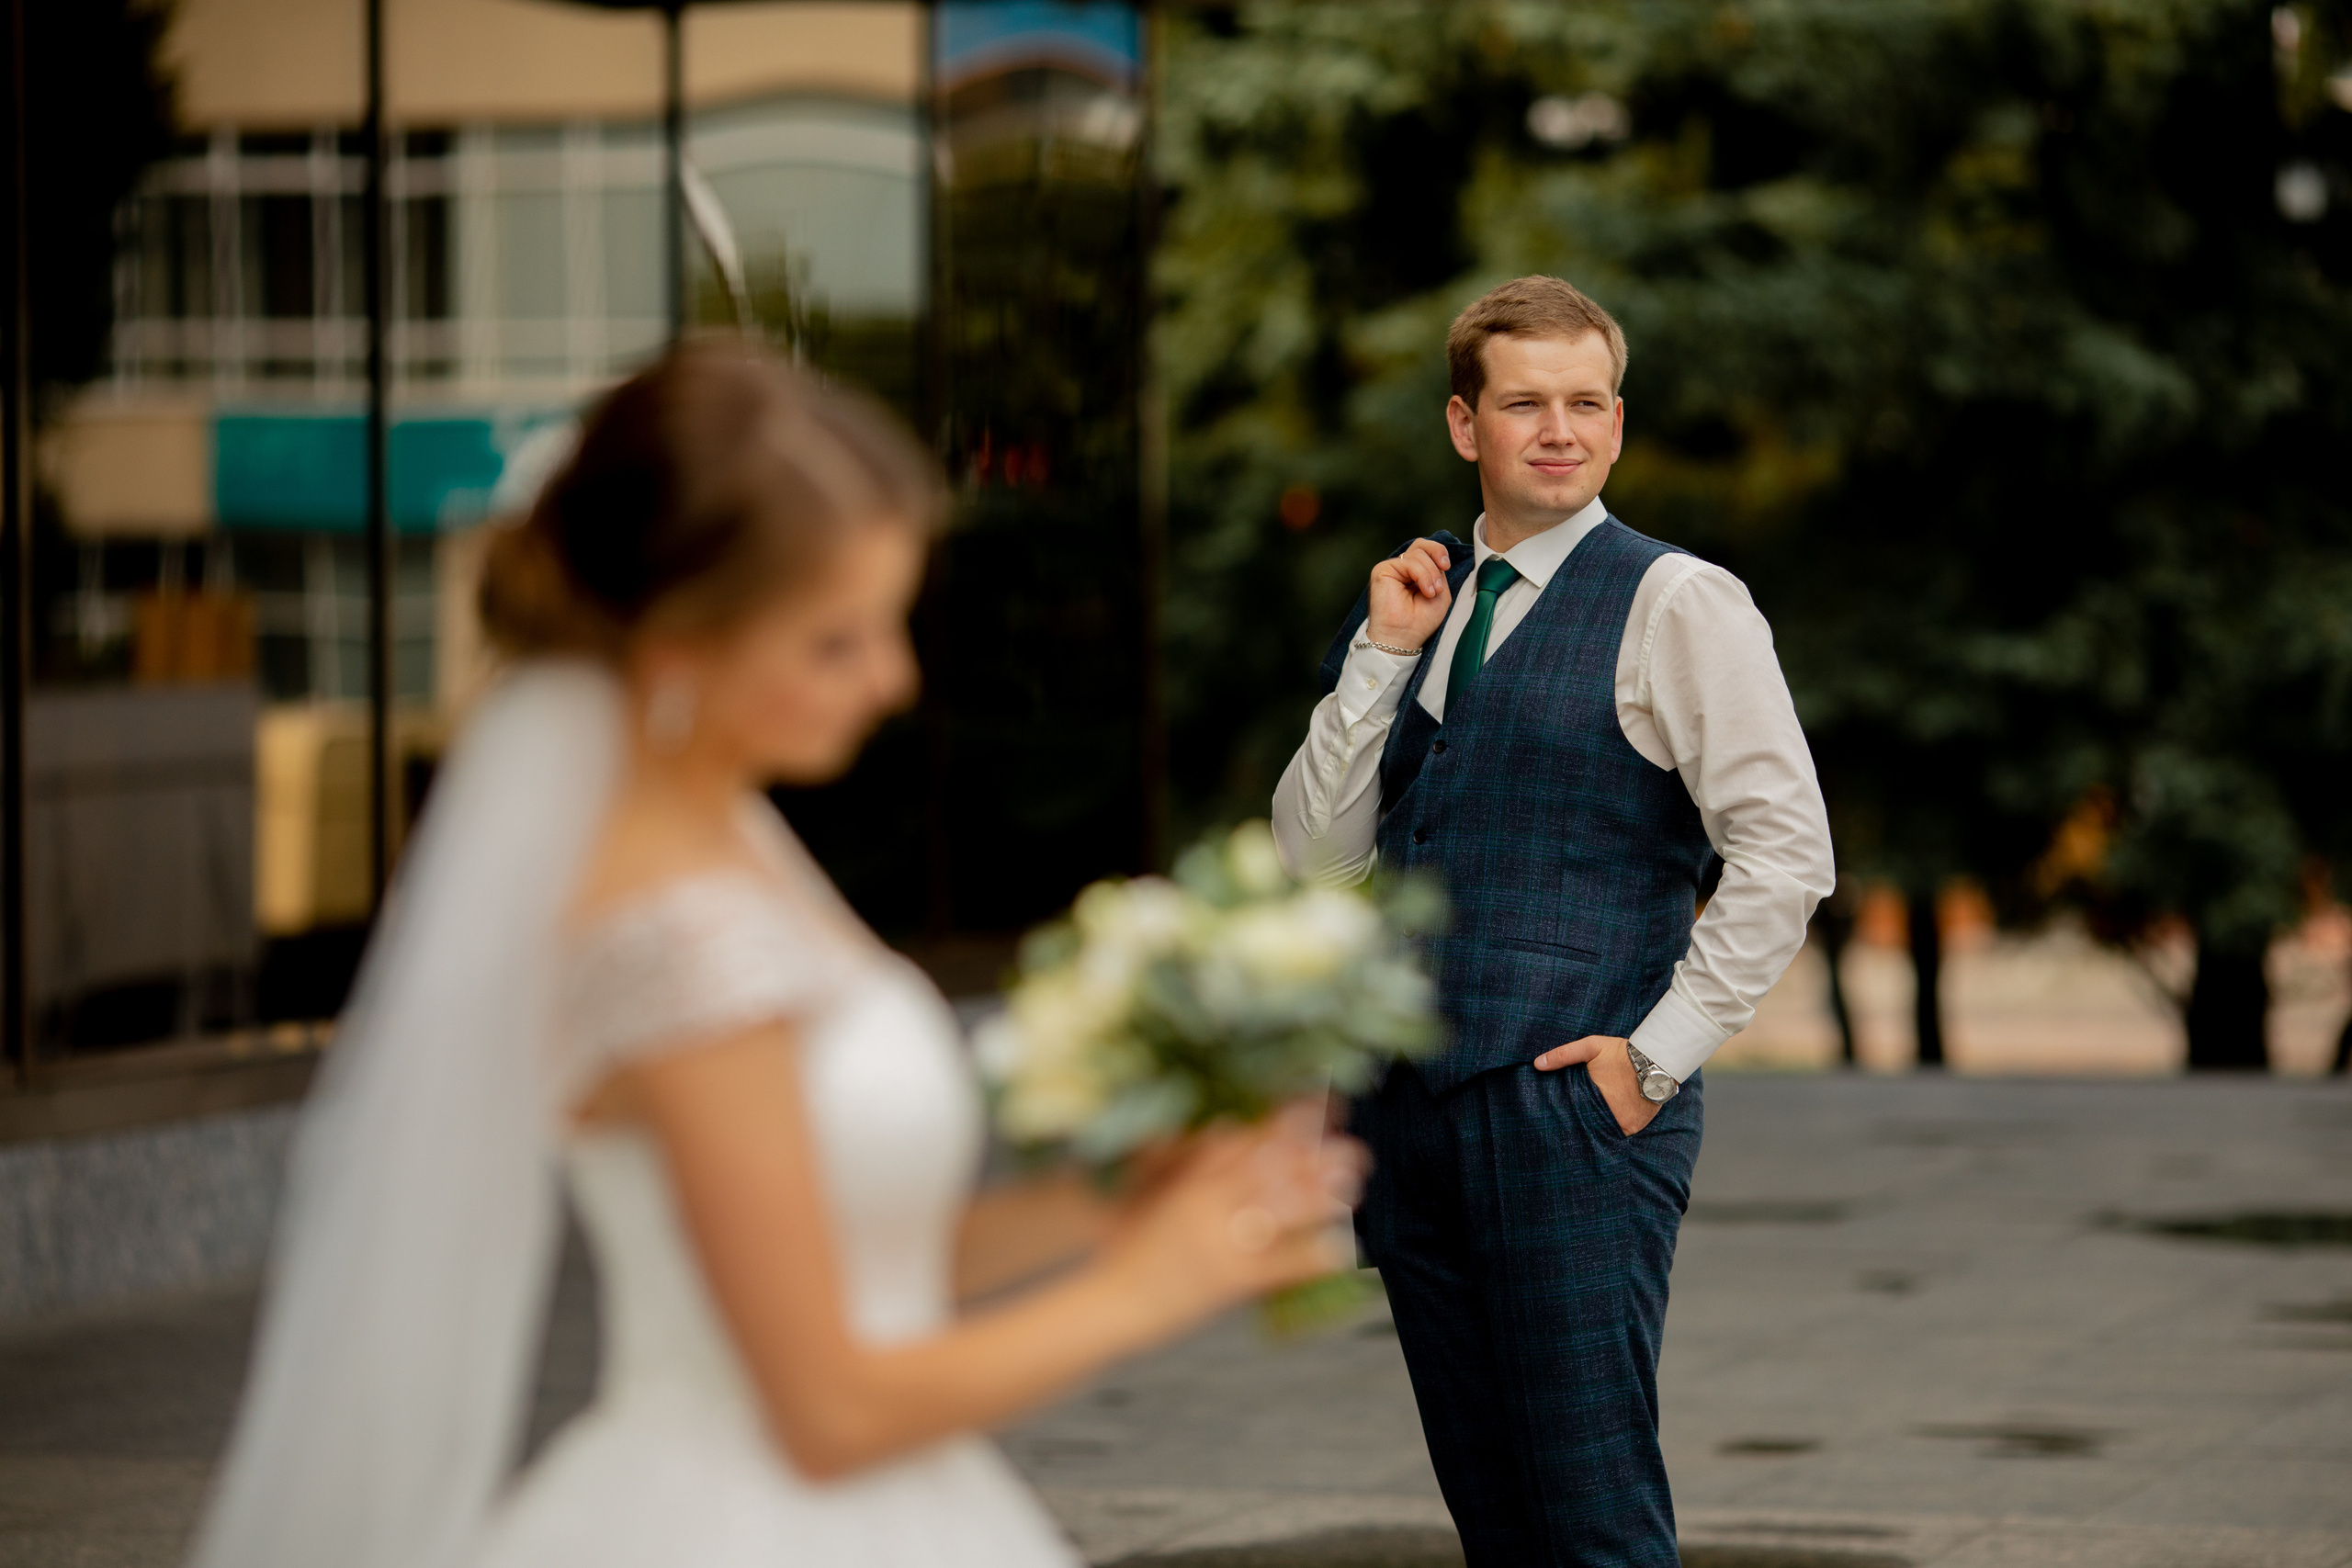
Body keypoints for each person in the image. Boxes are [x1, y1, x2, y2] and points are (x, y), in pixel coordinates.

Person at [188, 343, 1362, 1568]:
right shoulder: (672, 939)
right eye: (833, 642)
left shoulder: (738, 844)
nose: (893, 679)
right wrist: (1149, 1290)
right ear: (680, 648)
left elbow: (862, 1261)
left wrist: (1112, 1205)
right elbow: (830, 1412)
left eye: (888, 625)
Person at [1272, 276, 1836, 1567]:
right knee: (1500, 1525)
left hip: (1571, 1113)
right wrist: (1376, 657)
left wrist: (1652, 1060)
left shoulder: (1681, 602)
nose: (1560, 429)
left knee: (1593, 1524)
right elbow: (1316, 859)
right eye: (1525, 403)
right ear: (1466, 426)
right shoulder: (1425, 606)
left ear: (1620, 423)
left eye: (1586, 403)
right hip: (1410, 1113)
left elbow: (1786, 852)